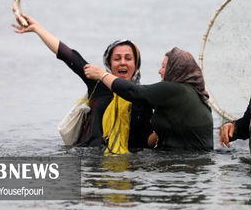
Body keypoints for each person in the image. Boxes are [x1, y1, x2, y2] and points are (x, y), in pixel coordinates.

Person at [12, 13, 153, 150]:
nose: (122, 63)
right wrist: (37, 28)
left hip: (127, 167)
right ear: (109, 64)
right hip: (91, 164)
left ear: (136, 64)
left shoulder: (142, 97)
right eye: (117, 58)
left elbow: (147, 142)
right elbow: (68, 55)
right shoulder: (98, 83)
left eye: (128, 58)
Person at [84, 47, 213, 151]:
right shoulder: (189, 94)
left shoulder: (175, 90)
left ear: (175, 69)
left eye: (163, 66)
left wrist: (102, 75)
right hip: (192, 164)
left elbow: (135, 92)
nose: (159, 71)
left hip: (184, 166)